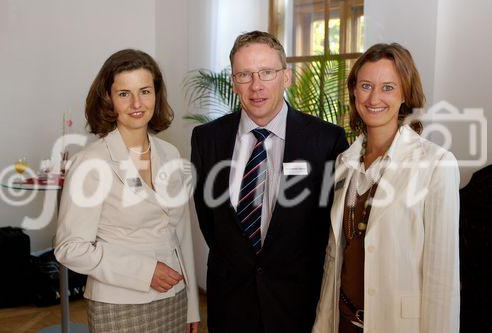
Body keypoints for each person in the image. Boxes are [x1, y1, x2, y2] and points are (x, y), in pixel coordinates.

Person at [191, 31, 349, 333]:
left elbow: (328, 228)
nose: (256, 85)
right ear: (234, 81)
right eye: (245, 74)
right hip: (231, 305)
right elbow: (210, 222)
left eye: (266, 72)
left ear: (285, 76)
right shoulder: (206, 139)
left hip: (299, 305)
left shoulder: (325, 141)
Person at [312, 43, 460, 333]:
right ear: (354, 91)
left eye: (388, 87)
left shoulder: (436, 164)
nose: (374, 97)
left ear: (405, 94)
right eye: (366, 85)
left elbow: (442, 279)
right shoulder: (344, 161)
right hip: (342, 324)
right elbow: (336, 257)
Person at [55, 49, 200, 333]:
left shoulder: (170, 153)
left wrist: (192, 305)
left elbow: (181, 234)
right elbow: (69, 248)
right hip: (119, 305)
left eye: (145, 91)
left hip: (174, 299)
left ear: (156, 94)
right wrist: (145, 272)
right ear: (108, 98)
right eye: (124, 94)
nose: (137, 103)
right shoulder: (91, 161)